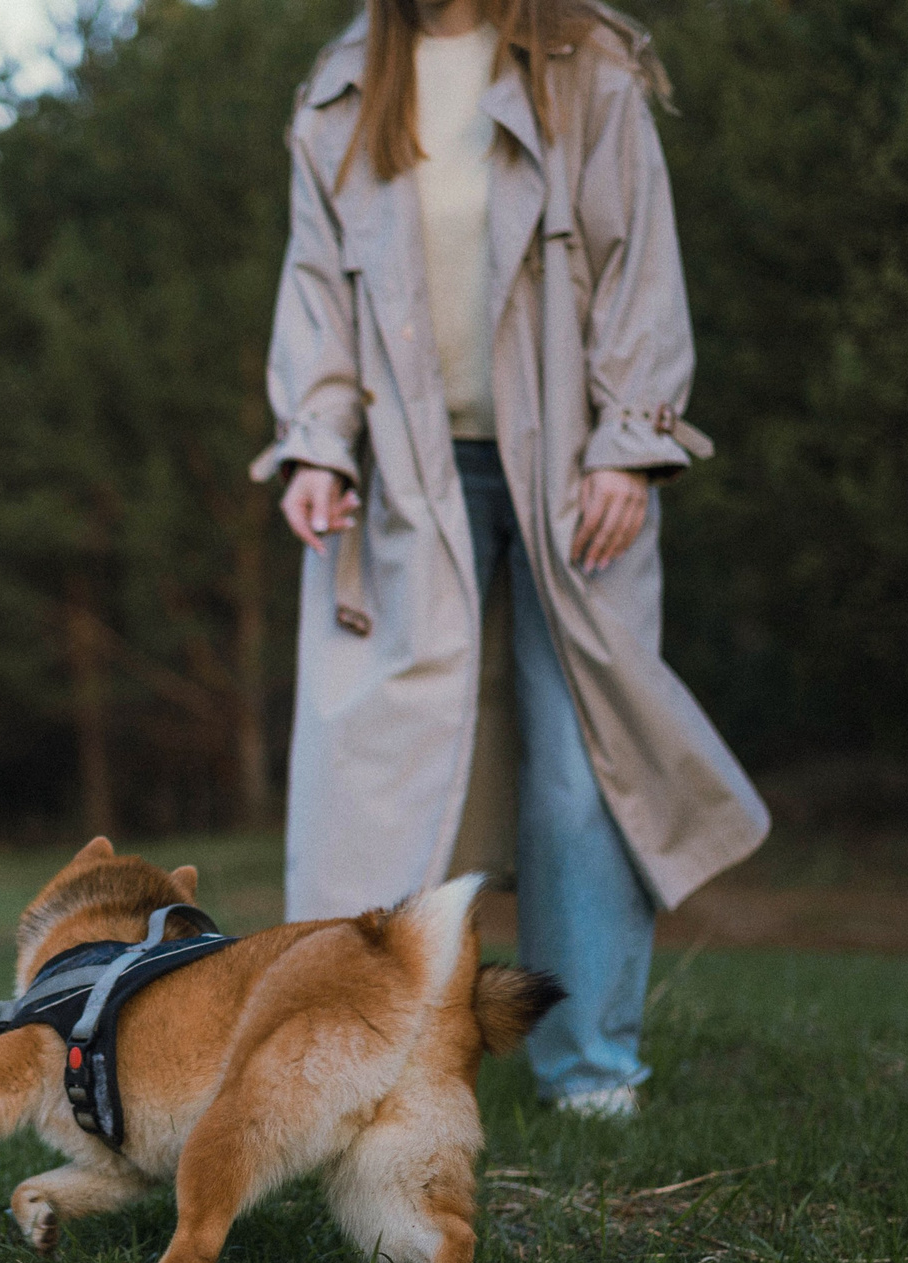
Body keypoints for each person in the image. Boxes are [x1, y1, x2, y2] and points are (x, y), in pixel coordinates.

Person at [250, 0, 767, 1118]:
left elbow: (638, 259)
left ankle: (589, 1071)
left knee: (583, 769)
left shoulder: (589, 62)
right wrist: (316, 446)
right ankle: (363, 1064)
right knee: (378, 775)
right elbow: (316, 293)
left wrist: (631, 444)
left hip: (574, 469)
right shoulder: (343, 83)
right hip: (403, 474)